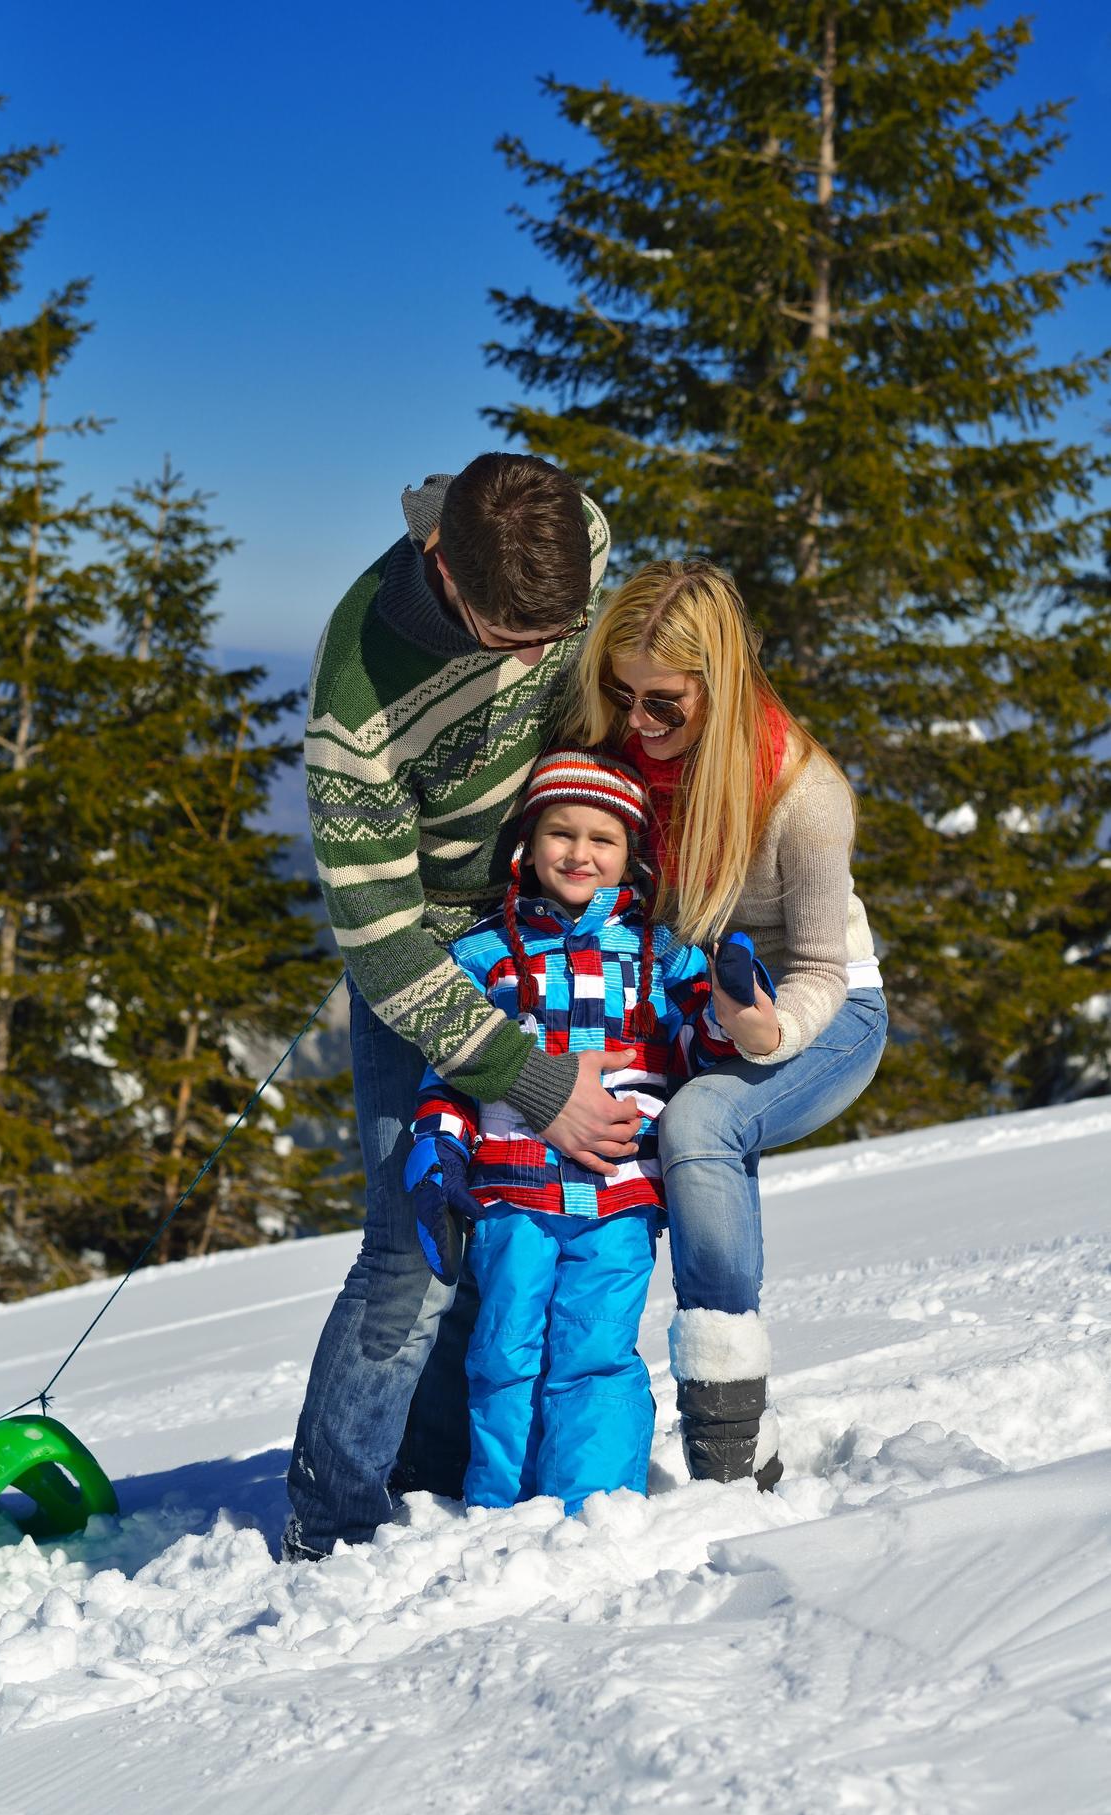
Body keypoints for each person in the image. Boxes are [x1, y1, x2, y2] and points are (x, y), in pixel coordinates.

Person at [286, 454, 636, 1560]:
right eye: (509, 639)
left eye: (557, 630)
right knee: (414, 1241)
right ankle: (334, 1524)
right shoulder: (361, 694)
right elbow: (383, 945)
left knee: (509, 1222)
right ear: (442, 561)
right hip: (432, 950)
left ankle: (431, 1467)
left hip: (549, 922)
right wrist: (533, 1083)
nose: (540, 658)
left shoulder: (574, 537)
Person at [568, 559, 888, 1488]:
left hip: (820, 1012)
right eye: (622, 695)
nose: (638, 724)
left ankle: (730, 1438)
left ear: (725, 683)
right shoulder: (623, 753)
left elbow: (824, 968)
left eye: (664, 703)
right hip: (686, 1010)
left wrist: (769, 1033)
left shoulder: (803, 797)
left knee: (702, 1122)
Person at [404, 749, 715, 1513]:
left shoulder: (659, 955)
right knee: (504, 1347)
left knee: (596, 1347)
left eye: (601, 839)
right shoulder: (485, 956)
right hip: (513, 1187)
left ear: (629, 854)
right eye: (560, 833)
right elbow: (453, 1067)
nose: (579, 853)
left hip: (621, 1190)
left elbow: (702, 1044)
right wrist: (436, 1147)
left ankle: (595, 1501)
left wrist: (730, 1003)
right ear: (527, 844)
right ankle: (500, 1505)